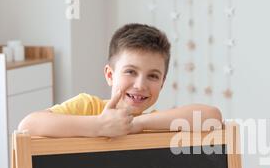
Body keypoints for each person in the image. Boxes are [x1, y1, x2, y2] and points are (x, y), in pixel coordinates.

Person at [18, 23, 222, 137]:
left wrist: (137, 124)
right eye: (130, 71)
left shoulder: (155, 122)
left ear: (162, 82)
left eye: (153, 76)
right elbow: (28, 125)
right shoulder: (88, 107)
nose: (140, 85)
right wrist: (98, 126)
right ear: (109, 75)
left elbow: (212, 117)